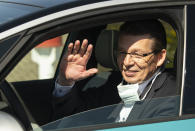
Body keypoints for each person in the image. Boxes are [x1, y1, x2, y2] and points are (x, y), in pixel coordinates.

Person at [52, 19, 179, 123]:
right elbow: (72, 117)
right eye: (122, 52)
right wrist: (65, 81)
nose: (127, 62)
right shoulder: (115, 82)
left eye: (138, 55)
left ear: (160, 57)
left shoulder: (172, 95)